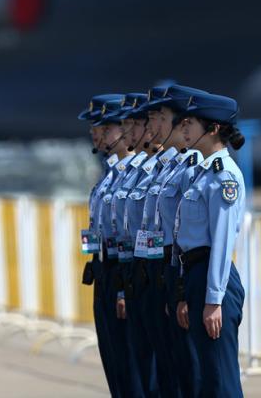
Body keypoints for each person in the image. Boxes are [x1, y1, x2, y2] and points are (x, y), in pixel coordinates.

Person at [174, 93, 247, 398]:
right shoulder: (202, 174)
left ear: (213, 128)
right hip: (196, 275)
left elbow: (221, 241)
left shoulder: (223, 176)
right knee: (206, 379)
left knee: (220, 380)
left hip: (212, 278)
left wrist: (213, 300)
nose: (185, 129)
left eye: (191, 123)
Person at [140, 84, 210, 398]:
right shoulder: (162, 168)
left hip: (181, 267)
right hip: (157, 267)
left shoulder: (190, 167)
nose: (150, 126)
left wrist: (180, 284)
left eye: (159, 117)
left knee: (190, 371)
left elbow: (191, 231)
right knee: (165, 366)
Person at [100, 92, 153, 397]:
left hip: (146, 271)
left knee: (152, 370)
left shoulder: (145, 175)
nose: (98, 134)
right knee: (122, 363)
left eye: (108, 127)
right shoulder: (116, 175)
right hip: (117, 269)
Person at [79, 93, 132, 397]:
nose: (95, 134)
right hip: (105, 271)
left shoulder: (133, 176)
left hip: (125, 273)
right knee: (116, 364)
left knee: (137, 369)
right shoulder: (108, 176)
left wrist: (124, 288)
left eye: (103, 127)